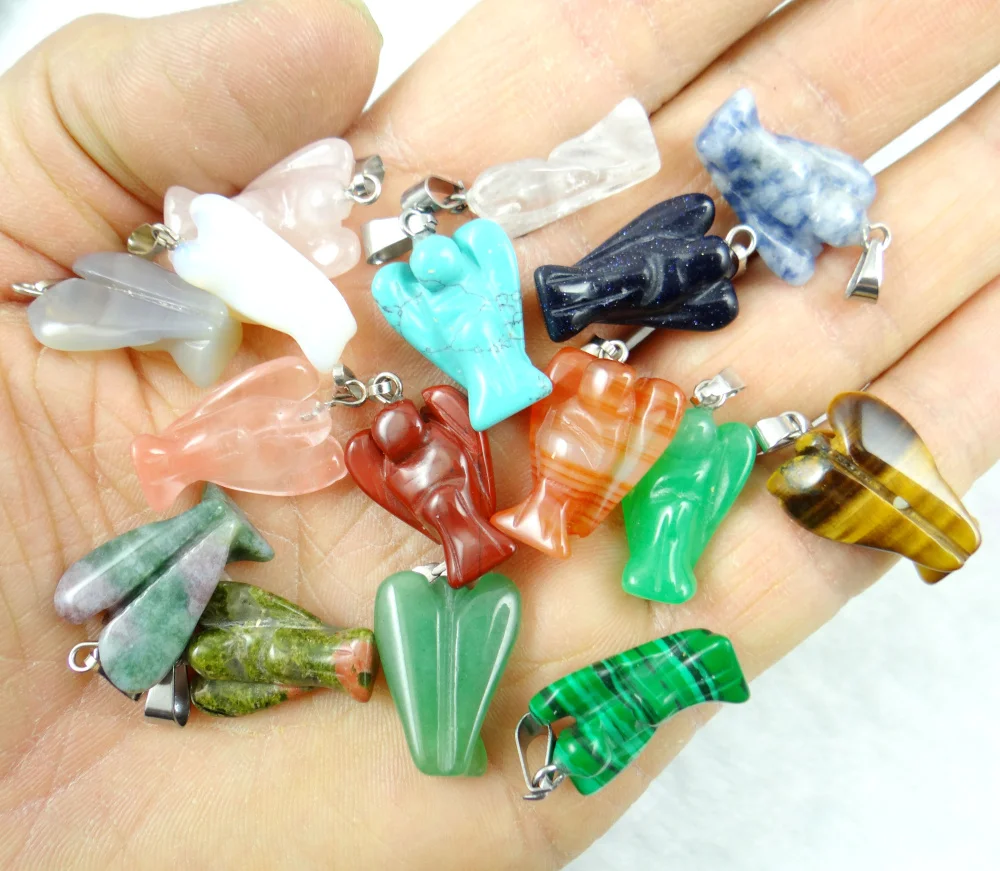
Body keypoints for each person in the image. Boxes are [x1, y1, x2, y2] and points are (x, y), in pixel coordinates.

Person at [0, 0, 997, 867]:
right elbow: (381, 445)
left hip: (506, 459)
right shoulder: (410, 430)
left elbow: (422, 405)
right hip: (480, 477)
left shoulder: (463, 411)